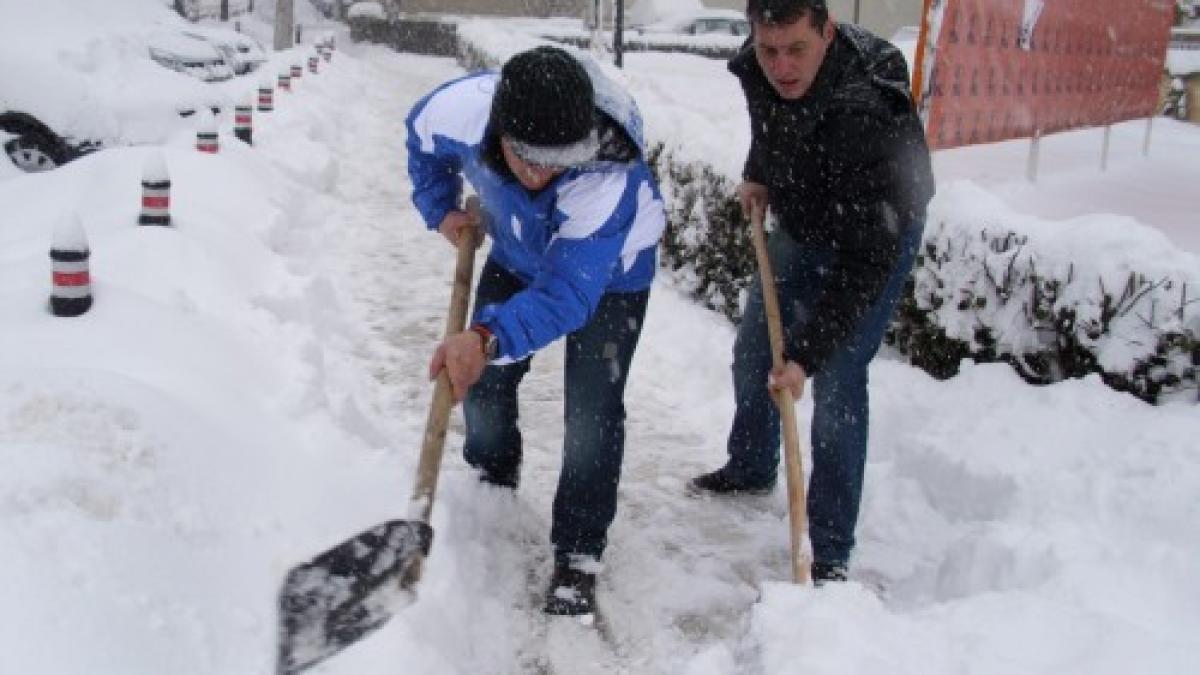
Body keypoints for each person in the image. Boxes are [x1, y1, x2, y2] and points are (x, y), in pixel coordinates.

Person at [405, 46, 667, 615]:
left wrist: (485, 338)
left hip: (611, 272)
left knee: (592, 414)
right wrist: (440, 208)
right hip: (517, 248)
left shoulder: (606, 174)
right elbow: (422, 140)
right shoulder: (460, 112)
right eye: (527, 157)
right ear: (499, 129)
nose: (541, 173)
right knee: (485, 387)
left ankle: (579, 552)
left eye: (558, 160)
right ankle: (492, 484)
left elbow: (566, 295)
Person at [689, 0, 935, 584]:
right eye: (768, 50)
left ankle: (828, 548)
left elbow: (863, 265)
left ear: (827, 32)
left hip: (877, 230)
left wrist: (806, 355)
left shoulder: (866, 110)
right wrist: (759, 171)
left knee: (839, 375)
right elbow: (770, 120)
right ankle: (752, 465)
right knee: (755, 349)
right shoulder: (760, 63)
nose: (781, 66)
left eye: (796, 49)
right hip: (804, 213)